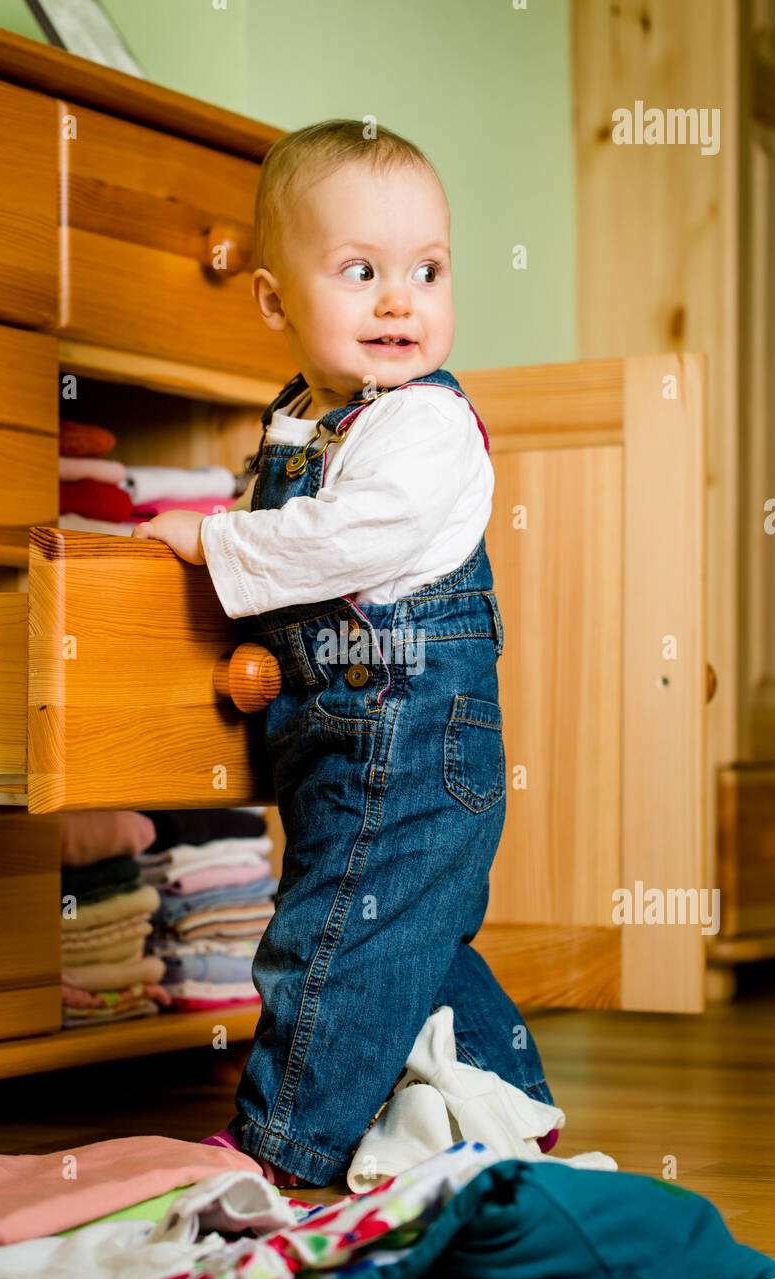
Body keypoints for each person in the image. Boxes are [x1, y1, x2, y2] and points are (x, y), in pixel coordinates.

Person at [132, 118, 555, 1187]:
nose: (401, 301)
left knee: (332, 935)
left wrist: (216, 537)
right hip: (342, 739)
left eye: (427, 269)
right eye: (361, 271)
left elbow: (341, 540)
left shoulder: (423, 426)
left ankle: (282, 1151)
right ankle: (508, 1101)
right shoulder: (303, 420)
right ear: (275, 301)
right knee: (415, 937)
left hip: (412, 740)